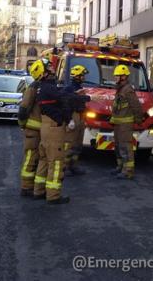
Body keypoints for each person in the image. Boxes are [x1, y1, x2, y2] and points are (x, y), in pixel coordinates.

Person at [33, 60, 89, 204]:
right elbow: (66, 97)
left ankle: (38, 191)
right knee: (56, 162)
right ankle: (53, 196)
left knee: (44, 160)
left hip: (46, 127)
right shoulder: (49, 88)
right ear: (44, 73)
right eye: (49, 67)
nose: (53, 68)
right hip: (54, 129)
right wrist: (85, 97)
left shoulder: (42, 88)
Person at [110, 64, 144, 180]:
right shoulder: (120, 89)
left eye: (117, 76)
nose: (115, 78)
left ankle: (128, 171)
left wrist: (139, 119)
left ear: (123, 77)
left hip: (125, 124)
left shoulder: (128, 89)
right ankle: (120, 166)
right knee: (118, 146)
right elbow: (118, 106)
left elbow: (136, 106)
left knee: (125, 146)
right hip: (118, 124)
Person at [18, 60, 45, 198]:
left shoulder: (41, 87)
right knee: (30, 158)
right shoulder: (33, 87)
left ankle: (34, 186)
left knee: (38, 157)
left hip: (40, 131)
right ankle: (26, 187)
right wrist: (23, 124)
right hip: (33, 131)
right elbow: (23, 109)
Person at [63, 65, 91, 176]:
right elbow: (66, 104)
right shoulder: (69, 88)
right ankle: (64, 167)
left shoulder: (79, 87)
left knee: (78, 143)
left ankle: (73, 165)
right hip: (73, 115)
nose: (84, 77)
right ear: (77, 76)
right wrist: (69, 119)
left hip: (80, 115)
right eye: (82, 75)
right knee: (70, 143)